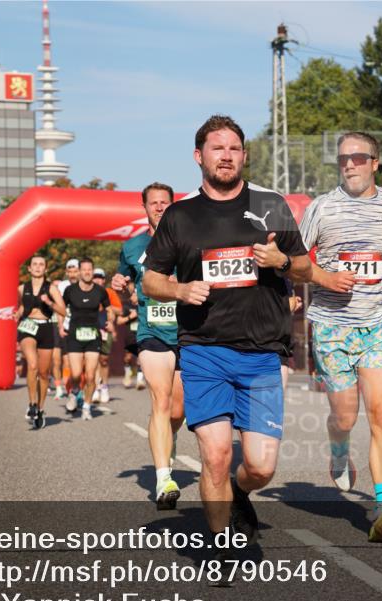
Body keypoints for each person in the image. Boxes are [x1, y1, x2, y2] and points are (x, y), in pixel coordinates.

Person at [143, 115, 311, 550]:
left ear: (244, 155)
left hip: (260, 354)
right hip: (204, 351)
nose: (226, 155)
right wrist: (179, 288)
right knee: (215, 456)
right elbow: (151, 279)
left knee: (261, 467)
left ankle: (240, 491)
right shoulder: (179, 216)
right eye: (217, 148)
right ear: (199, 157)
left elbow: (307, 267)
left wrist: (282, 262)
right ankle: (219, 544)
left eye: (234, 148)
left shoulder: (272, 205)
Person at [298, 132, 382, 542]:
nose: (350, 165)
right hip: (332, 327)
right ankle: (339, 448)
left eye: (359, 158)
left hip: (381, 326)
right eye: (343, 159)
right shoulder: (321, 209)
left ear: (375, 162)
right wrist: (325, 276)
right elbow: (293, 262)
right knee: (345, 416)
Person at [112, 181, 186, 509]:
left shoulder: (190, 241)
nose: (159, 207)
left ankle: (167, 441)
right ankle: (163, 478)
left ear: (173, 206)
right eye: (153, 203)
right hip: (151, 331)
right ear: (145, 208)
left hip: (187, 331)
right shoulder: (132, 247)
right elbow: (124, 285)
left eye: (164, 202)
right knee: (161, 399)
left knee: (178, 409)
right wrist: (119, 286)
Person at [17, 255, 66, 430]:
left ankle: (40, 407)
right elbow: (23, 307)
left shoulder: (51, 288)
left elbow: (63, 311)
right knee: (32, 365)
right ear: (29, 269)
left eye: (41, 265)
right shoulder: (22, 288)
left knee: (44, 374)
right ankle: (31, 403)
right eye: (35, 264)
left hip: (45, 327)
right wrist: (16, 315)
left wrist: (50, 303)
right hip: (27, 327)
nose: (38, 267)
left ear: (45, 269)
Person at [62, 258, 112, 421]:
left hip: (93, 335)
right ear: (79, 271)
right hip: (74, 335)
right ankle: (75, 392)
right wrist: (60, 325)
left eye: (90, 269)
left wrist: (110, 322)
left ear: (92, 270)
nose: (87, 272)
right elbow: (61, 308)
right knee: (76, 373)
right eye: (84, 269)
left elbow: (109, 309)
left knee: (90, 375)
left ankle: (86, 406)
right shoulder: (70, 290)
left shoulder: (100, 291)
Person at [93, 268, 123, 404]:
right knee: (93, 360)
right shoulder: (87, 291)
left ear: (104, 280)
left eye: (100, 277)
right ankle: (95, 388)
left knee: (104, 360)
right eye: (95, 277)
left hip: (105, 328)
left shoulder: (109, 292)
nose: (97, 279)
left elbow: (120, 310)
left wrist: (106, 306)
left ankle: (104, 386)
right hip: (91, 329)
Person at [52, 258, 80, 400]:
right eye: (70, 271)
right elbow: (58, 307)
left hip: (74, 326)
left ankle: (69, 388)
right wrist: (60, 325)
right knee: (56, 359)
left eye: (75, 271)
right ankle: (58, 388)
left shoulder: (83, 285)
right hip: (59, 324)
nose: (73, 274)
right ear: (66, 272)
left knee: (68, 361)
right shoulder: (62, 286)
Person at [118, 293, 141, 388]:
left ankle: (140, 381)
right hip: (130, 334)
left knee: (141, 358)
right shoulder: (127, 306)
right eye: (133, 294)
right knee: (128, 357)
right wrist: (130, 317)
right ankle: (128, 372)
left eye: (137, 294)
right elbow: (119, 321)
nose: (135, 296)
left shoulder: (144, 305)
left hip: (141, 334)